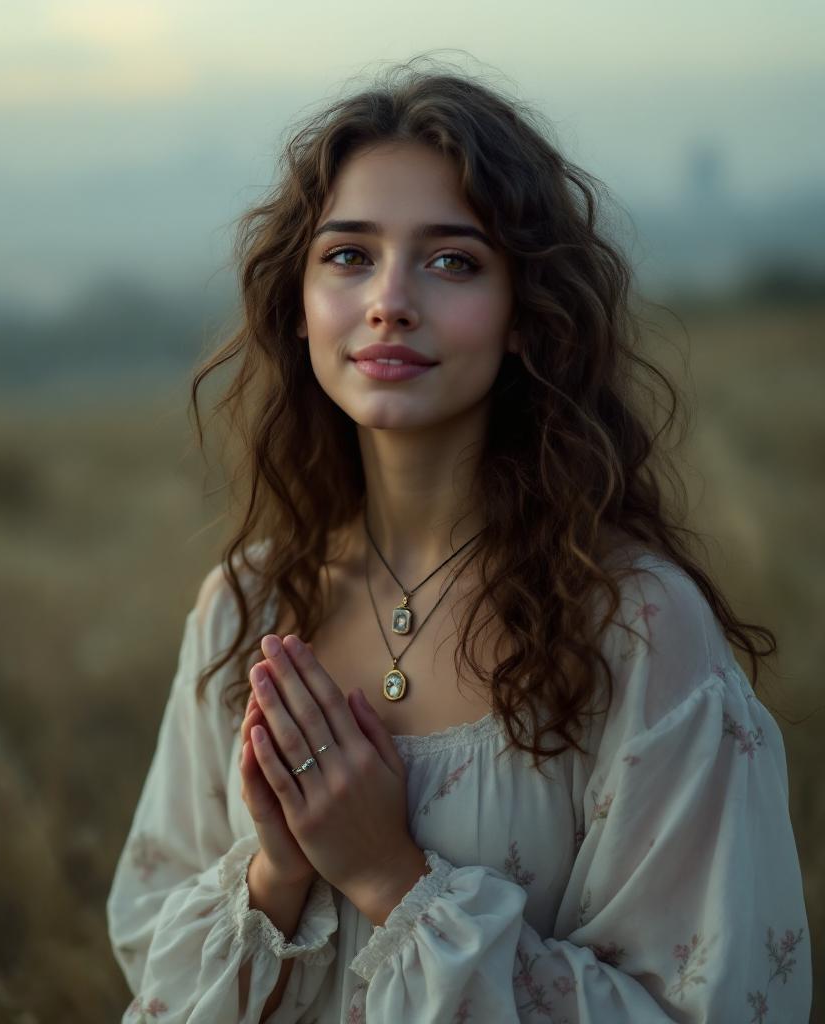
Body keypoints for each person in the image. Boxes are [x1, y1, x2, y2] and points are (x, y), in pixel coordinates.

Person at [107, 63, 810, 1023]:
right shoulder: (245, 608)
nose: (390, 300)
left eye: (452, 262)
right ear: (299, 303)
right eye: (348, 256)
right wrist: (276, 872)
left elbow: (708, 1006)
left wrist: (392, 878)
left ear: (527, 316)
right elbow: (153, 958)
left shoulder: (637, 628)